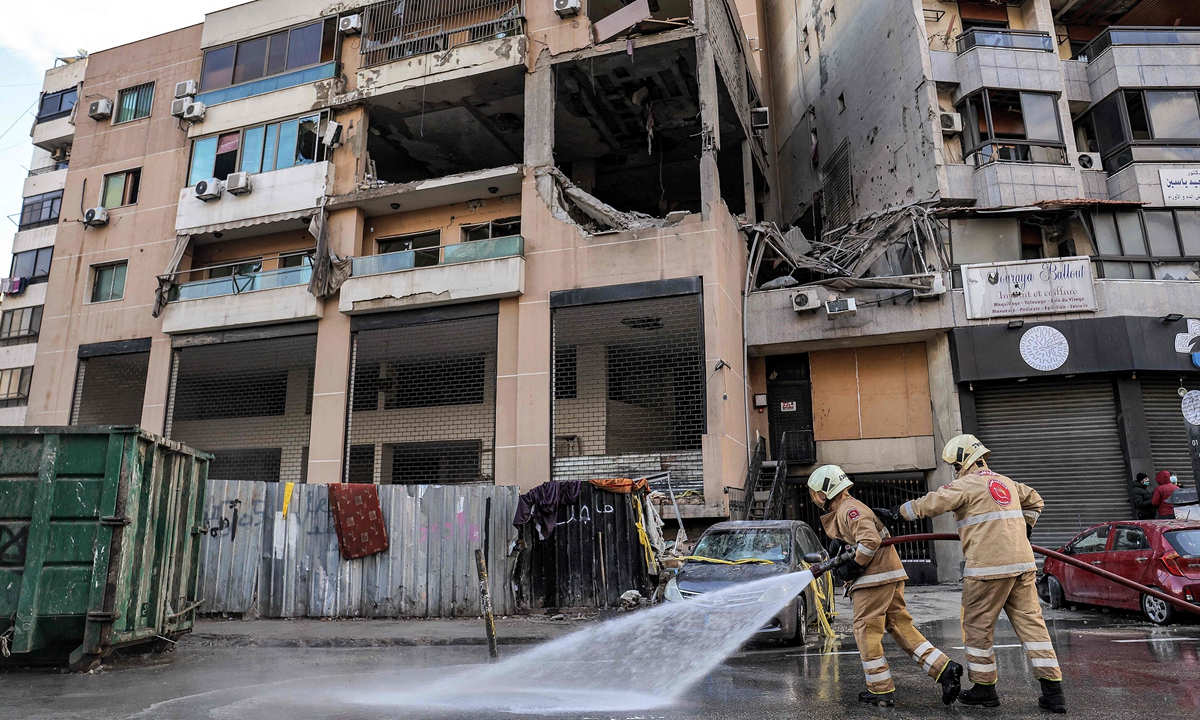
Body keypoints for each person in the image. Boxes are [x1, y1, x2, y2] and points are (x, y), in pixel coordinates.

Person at [882, 435, 1066, 714]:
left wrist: (897, 513)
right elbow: (1036, 500)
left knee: (977, 628)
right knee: (1034, 628)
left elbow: (931, 503)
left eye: (954, 465)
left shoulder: (964, 484)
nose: (954, 470)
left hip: (987, 569)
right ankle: (1054, 694)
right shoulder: (1006, 483)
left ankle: (985, 689)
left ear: (962, 461)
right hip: (1023, 565)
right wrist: (1024, 531)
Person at [807, 465, 963, 708]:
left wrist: (854, 567)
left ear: (824, 492)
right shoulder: (851, 507)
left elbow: (870, 541)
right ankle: (944, 669)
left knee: (865, 630)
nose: (816, 498)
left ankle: (880, 691)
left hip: (874, 580)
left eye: (816, 493)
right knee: (899, 625)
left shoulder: (848, 509)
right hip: (887, 575)